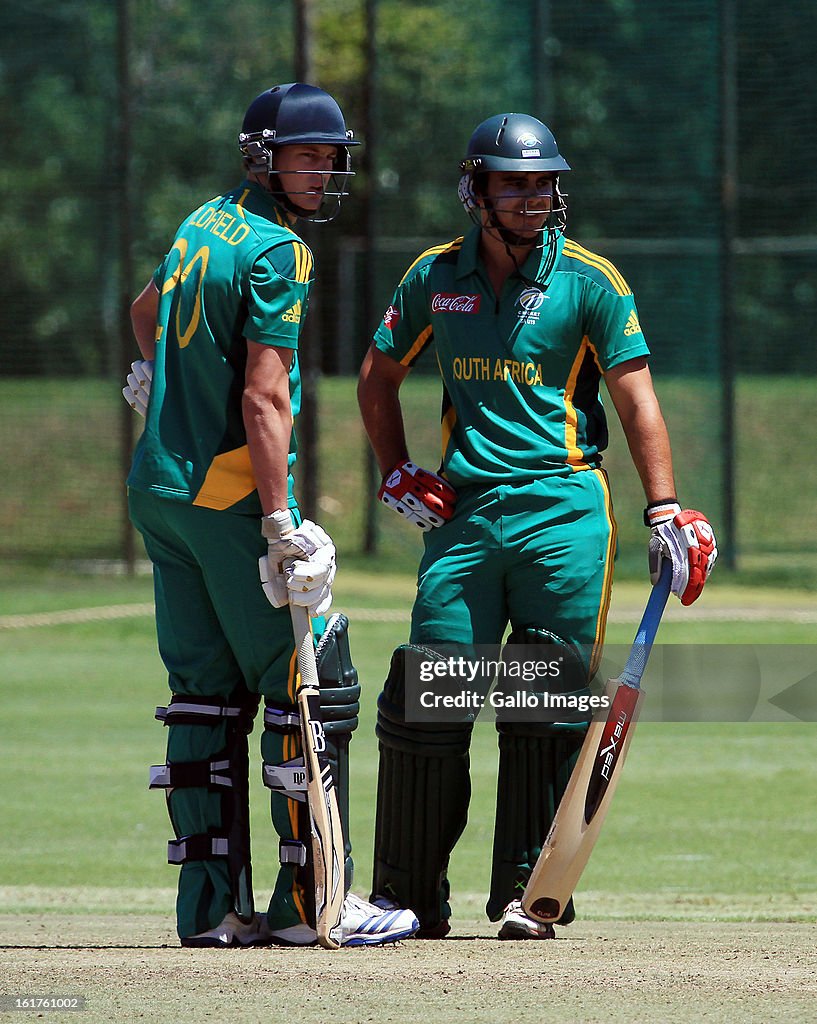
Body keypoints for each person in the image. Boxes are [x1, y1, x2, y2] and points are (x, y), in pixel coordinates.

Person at [357, 112, 717, 939]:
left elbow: (635, 399)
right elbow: (377, 379)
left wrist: (662, 505)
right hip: (465, 515)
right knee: (430, 689)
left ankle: (528, 895)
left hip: (563, 513)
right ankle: (407, 900)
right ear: (474, 190)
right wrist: (395, 470)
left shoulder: (591, 280)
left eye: (543, 182)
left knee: (544, 698)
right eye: (513, 183)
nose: (532, 197)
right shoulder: (432, 276)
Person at [125, 82, 419, 948]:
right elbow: (265, 398)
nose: (324, 169)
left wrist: (161, 388)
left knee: (204, 698)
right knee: (313, 678)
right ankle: (314, 906)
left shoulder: (200, 221)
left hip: (160, 490)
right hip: (224, 497)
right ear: (262, 154)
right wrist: (281, 518)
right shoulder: (278, 253)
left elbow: (144, 315)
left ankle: (210, 909)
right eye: (308, 153)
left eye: (331, 155)